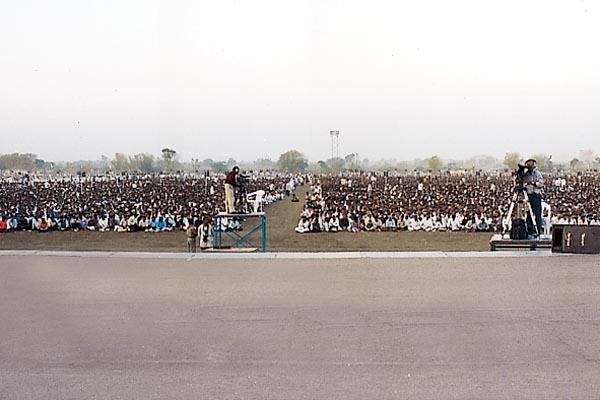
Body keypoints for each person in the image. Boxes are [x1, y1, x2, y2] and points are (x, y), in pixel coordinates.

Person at [522, 158, 544, 238]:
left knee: (538, 213)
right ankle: (530, 230)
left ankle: (538, 229)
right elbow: (523, 182)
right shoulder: (526, 174)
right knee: (529, 214)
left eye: (531, 164)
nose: (530, 166)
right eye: (528, 164)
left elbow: (541, 183)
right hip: (529, 195)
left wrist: (533, 183)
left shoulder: (537, 173)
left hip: (536, 194)